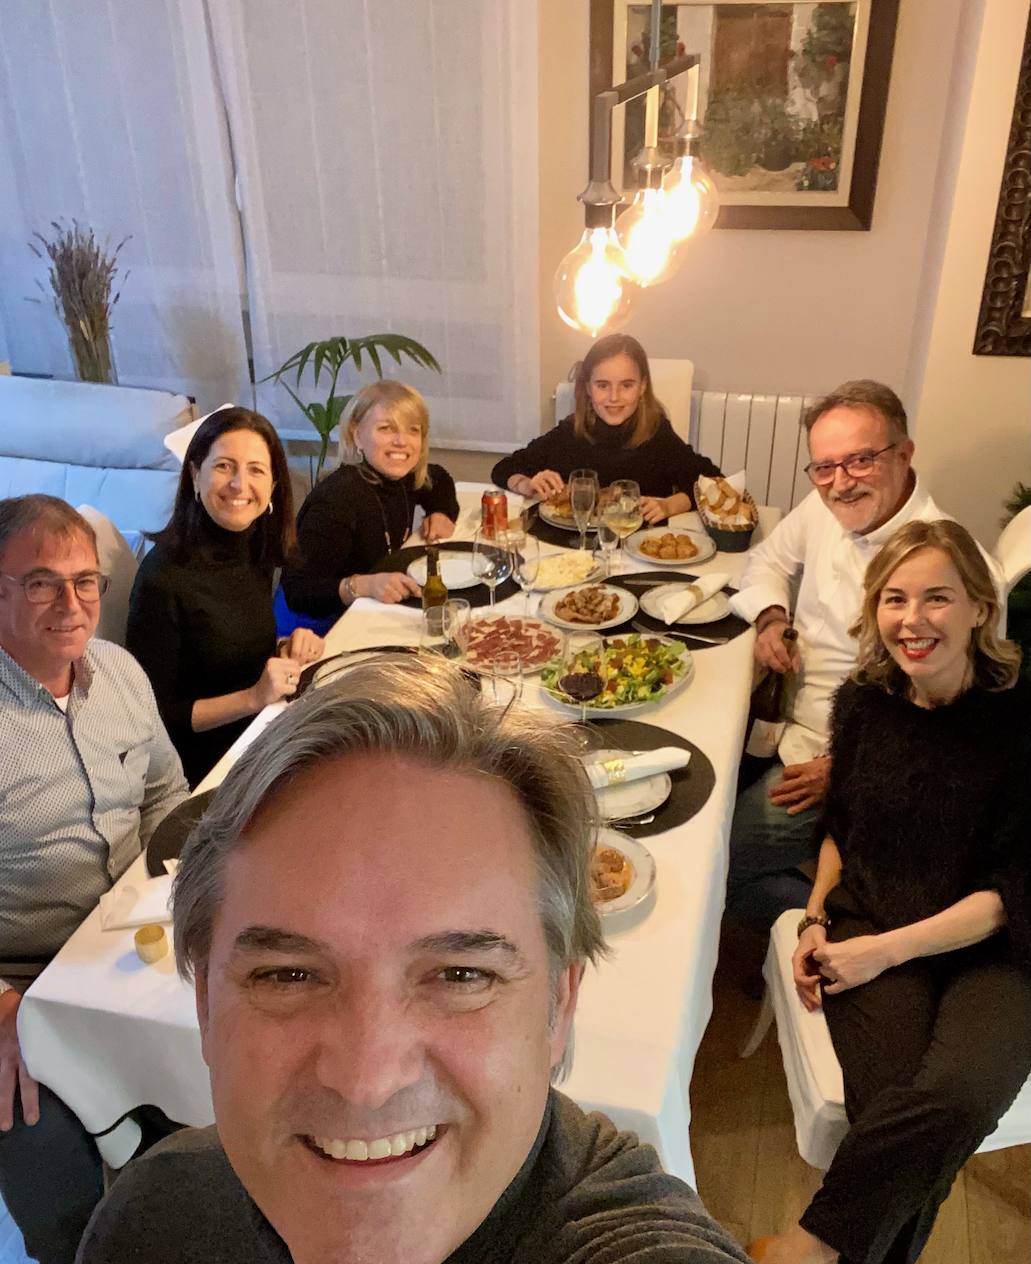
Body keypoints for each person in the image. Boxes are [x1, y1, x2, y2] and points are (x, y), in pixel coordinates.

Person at [65, 657, 801, 1264]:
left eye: (459, 975)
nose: (366, 1080)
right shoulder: (146, 1227)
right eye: (287, 974)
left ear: (559, 1006)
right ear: (203, 1004)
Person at [751, 520, 1031, 1264]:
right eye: (893, 599)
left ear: (980, 606)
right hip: (870, 922)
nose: (912, 619)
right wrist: (815, 917)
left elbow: (1015, 888)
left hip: (994, 941)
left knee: (953, 1098)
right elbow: (840, 831)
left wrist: (886, 951)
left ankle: (790, 1254)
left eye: (936, 596)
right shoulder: (864, 705)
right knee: (893, 1120)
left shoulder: (1021, 718)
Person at [0, 495, 189, 1264]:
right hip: (24, 973)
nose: (72, 604)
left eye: (85, 581)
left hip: (133, 927)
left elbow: (165, 792)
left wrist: (178, 889)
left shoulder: (119, 672)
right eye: (41, 583)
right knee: (29, 1119)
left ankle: (200, 1218)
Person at [724, 379, 995, 933]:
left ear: (904, 453)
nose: (840, 484)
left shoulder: (955, 569)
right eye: (824, 467)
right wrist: (773, 618)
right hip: (785, 720)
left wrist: (846, 770)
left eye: (861, 461)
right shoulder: (825, 508)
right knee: (692, 788)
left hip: (848, 767)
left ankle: (845, 913)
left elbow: (956, 733)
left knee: (715, 853)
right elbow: (767, 562)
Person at [126, 407, 324, 787]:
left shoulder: (255, 545)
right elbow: (156, 719)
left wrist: (285, 648)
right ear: (195, 474)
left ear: (273, 486)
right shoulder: (162, 579)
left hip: (262, 731)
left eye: (256, 470)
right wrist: (254, 697)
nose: (239, 484)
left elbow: (225, 647)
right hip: (206, 770)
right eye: (223, 466)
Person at [279, 381, 459, 627]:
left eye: (413, 430)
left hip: (370, 612)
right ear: (357, 436)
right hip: (319, 627)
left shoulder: (403, 477)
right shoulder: (337, 499)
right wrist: (363, 585)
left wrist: (441, 512)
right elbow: (299, 592)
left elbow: (438, 480)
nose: (401, 441)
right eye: (386, 428)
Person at [490, 334, 719, 524]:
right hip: (572, 552)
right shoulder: (571, 432)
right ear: (588, 388)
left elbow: (713, 482)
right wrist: (526, 484)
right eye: (602, 385)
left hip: (636, 553)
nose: (614, 397)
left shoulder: (657, 433)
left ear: (643, 387)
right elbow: (504, 468)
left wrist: (669, 505)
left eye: (627, 385)